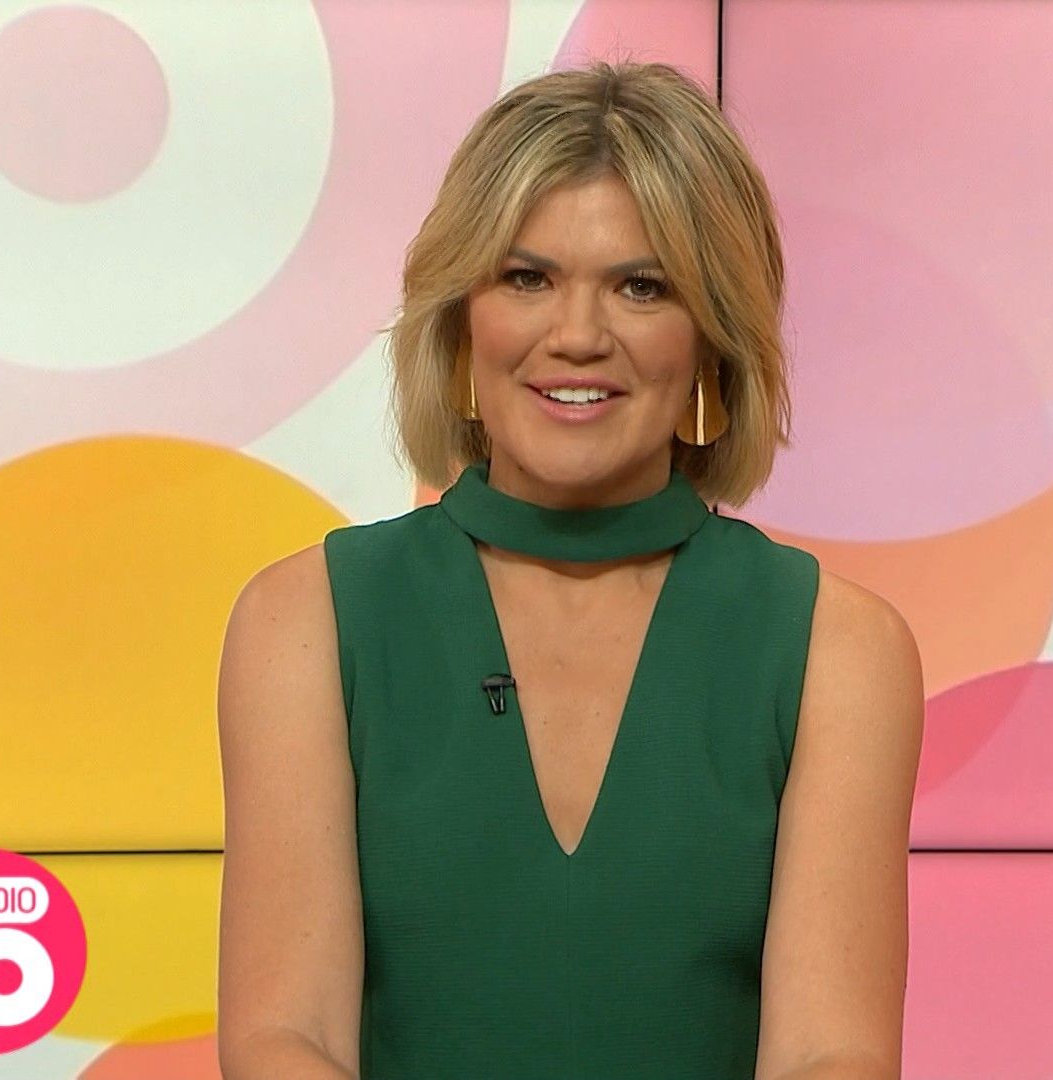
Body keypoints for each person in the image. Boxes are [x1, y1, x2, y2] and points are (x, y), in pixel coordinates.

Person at [216, 60, 924, 1079]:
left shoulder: (838, 649)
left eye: (642, 287)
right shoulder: (305, 622)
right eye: (527, 278)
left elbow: (831, 1055)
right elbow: (288, 1039)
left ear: (711, 340)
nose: (579, 336)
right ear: (463, 318)